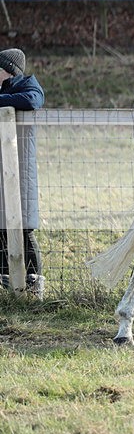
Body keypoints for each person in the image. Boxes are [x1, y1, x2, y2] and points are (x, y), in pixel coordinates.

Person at [0, 48, 45, 297]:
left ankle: (34, 283)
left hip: (21, 169)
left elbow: (32, 101)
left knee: (24, 228)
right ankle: (7, 282)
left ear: (7, 70)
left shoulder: (28, 85)